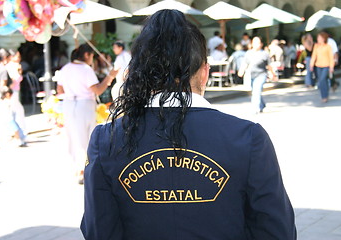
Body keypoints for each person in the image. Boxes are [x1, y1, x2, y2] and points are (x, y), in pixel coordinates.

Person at [81, 10, 296, 240]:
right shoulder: (248, 138)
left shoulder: (106, 139)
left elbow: (98, 230)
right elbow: (277, 231)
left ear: (138, 73)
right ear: (204, 73)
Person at [56, 43, 115, 184]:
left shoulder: (65, 68)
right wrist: (109, 77)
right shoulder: (85, 69)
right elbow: (98, 90)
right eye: (91, 57)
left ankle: (78, 168)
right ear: (87, 55)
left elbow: (60, 90)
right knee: (86, 137)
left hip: (69, 104)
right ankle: (83, 169)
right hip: (84, 104)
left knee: (73, 136)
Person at [238, 36, 277, 114]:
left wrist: (273, 74)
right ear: (252, 44)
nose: (257, 44)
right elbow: (245, 63)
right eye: (255, 42)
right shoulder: (248, 53)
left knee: (256, 90)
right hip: (252, 75)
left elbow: (269, 66)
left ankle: (255, 108)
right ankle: (262, 105)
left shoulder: (264, 54)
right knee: (255, 91)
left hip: (261, 74)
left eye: (258, 43)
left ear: (261, 44)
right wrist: (241, 71)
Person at [6, 49, 26, 135]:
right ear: (11, 57)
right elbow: (15, 79)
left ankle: (17, 131)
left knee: (16, 111)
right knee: (16, 111)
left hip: (14, 90)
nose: (19, 58)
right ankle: (20, 131)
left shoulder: (13, 65)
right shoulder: (12, 66)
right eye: (17, 56)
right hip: (12, 91)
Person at [310, 32, 334, 103]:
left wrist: (331, 67)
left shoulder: (328, 46)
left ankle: (325, 96)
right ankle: (324, 94)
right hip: (318, 65)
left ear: (324, 39)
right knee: (321, 81)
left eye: (320, 38)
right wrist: (311, 65)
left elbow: (331, 57)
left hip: (326, 65)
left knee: (323, 80)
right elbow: (314, 56)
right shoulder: (316, 46)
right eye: (318, 38)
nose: (318, 39)